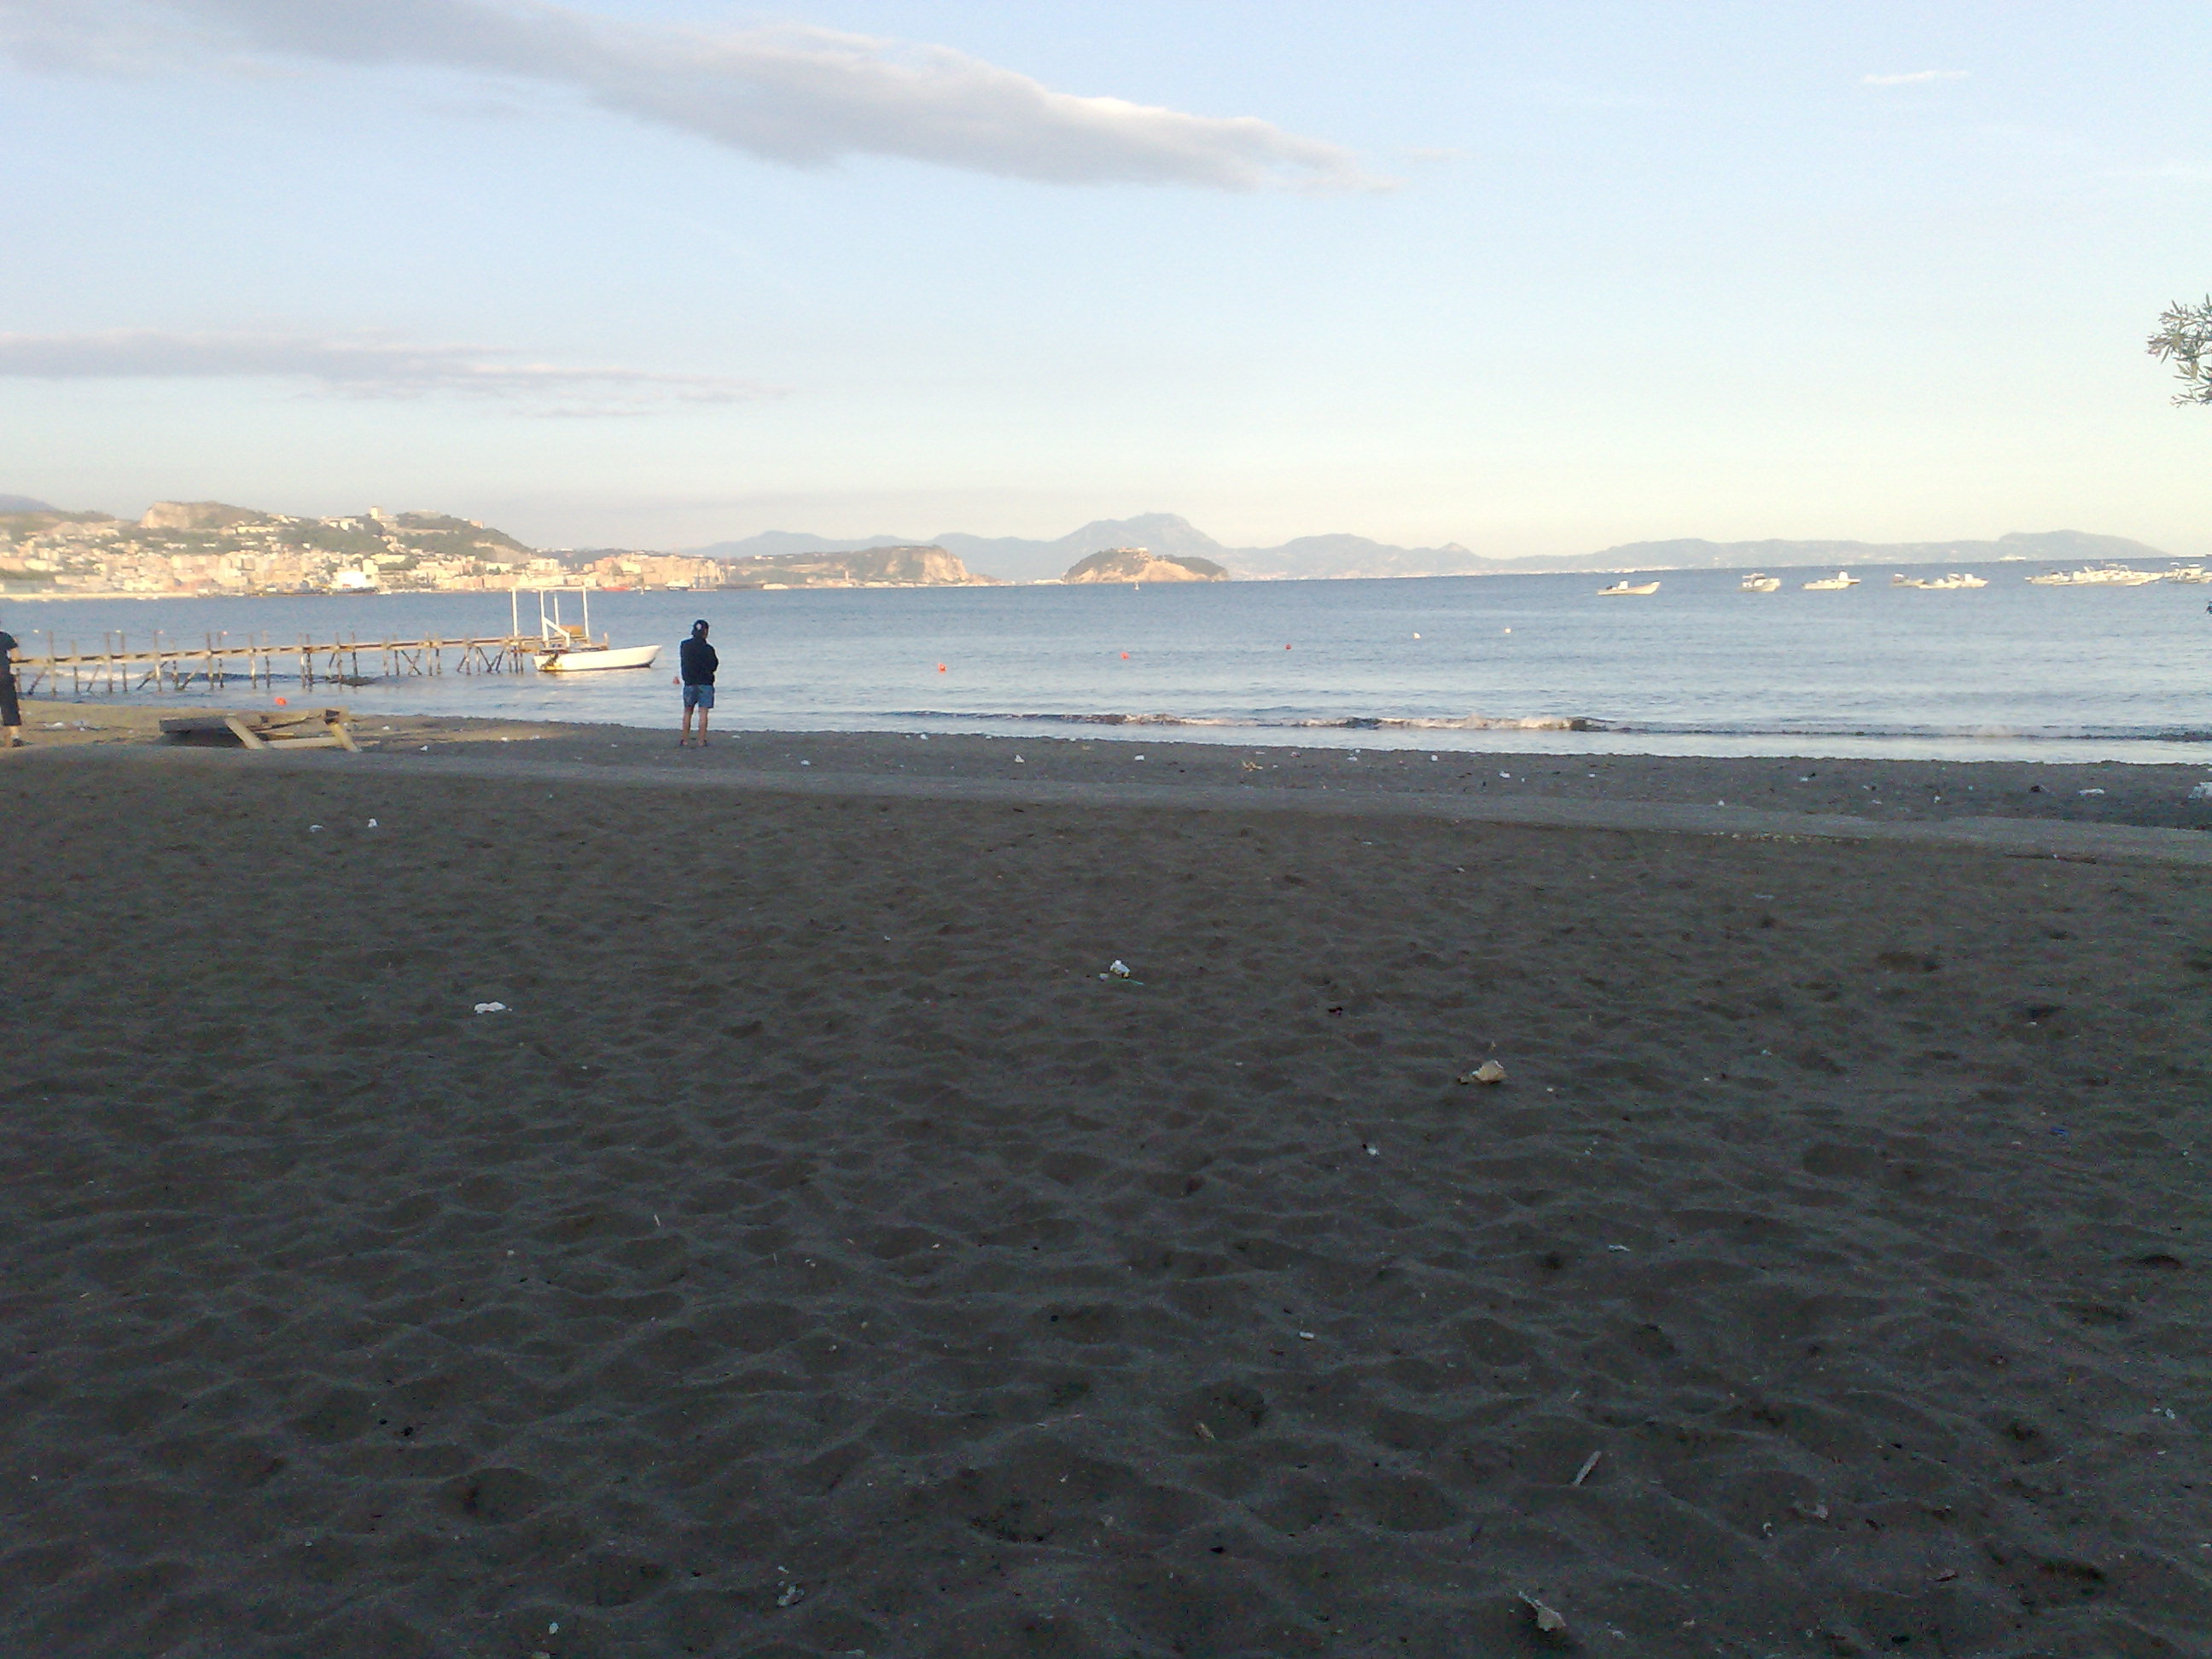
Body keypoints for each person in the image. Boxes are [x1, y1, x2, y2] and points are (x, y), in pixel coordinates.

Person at [677, 619, 718, 748]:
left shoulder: (684, 645)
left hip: (690, 682)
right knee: (703, 713)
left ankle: (685, 740)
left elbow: (684, 662)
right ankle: (701, 741)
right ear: (705, 632)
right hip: (705, 682)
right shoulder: (709, 649)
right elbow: (714, 665)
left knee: (688, 711)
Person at [0, 625, 21, 748]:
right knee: (9, 706)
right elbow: (17, 656)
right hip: (3, 676)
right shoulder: (5, 637)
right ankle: (15, 737)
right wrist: (8, 661)